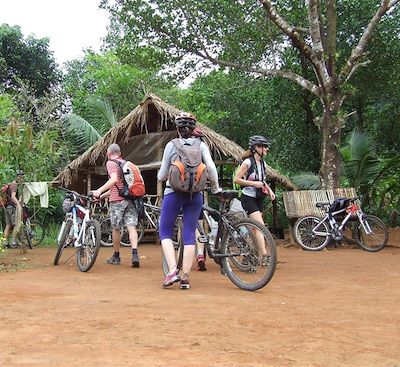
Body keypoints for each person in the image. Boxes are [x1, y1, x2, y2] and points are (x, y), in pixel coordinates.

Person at [158, 112, 221, 289]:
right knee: (189, 234)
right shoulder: (201, 146)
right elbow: (211, 169)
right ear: (193, 129)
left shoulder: (172, 145)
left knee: (165, 232)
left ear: (177, 129)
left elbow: (162, 175)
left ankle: (172, 272)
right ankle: (185, 277)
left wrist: (164, 175)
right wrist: (215, 188)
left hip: (174, 193)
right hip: (196, 195)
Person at [92, 143, 140, 267]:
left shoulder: (111, 163)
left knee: (116, 228)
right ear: (119, 153)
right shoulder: (125, 164)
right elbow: (118, 187)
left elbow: (113, 180)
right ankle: (134, 254)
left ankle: (116, 256)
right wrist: (102, 196)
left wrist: (99, 191)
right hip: (130, 199)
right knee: (131, 226)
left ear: (108, 154)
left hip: (117, 201)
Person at [233, 135, 275, 265]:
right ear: (256, 148)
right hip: (248, 198)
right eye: (264, 147)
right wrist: (253, 184)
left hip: (259, 198)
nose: (266, 149)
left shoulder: (263, 163)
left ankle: (249, 254)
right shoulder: (248, 162)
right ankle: (264, 255)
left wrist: (269, 190)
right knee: (260, 225)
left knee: (254, 229)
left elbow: (262, 180)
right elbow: (237, 179)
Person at [2, 170, 24, 248]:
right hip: (12, 207)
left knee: (8, 225)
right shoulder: (14, 185)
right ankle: (14, 242)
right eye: (21, 178)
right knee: (16, 224)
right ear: (18, 177)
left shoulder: (10, 184)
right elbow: (13, 196)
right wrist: (18, 204)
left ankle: (5, 242)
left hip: (7, 207)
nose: (22, 179)